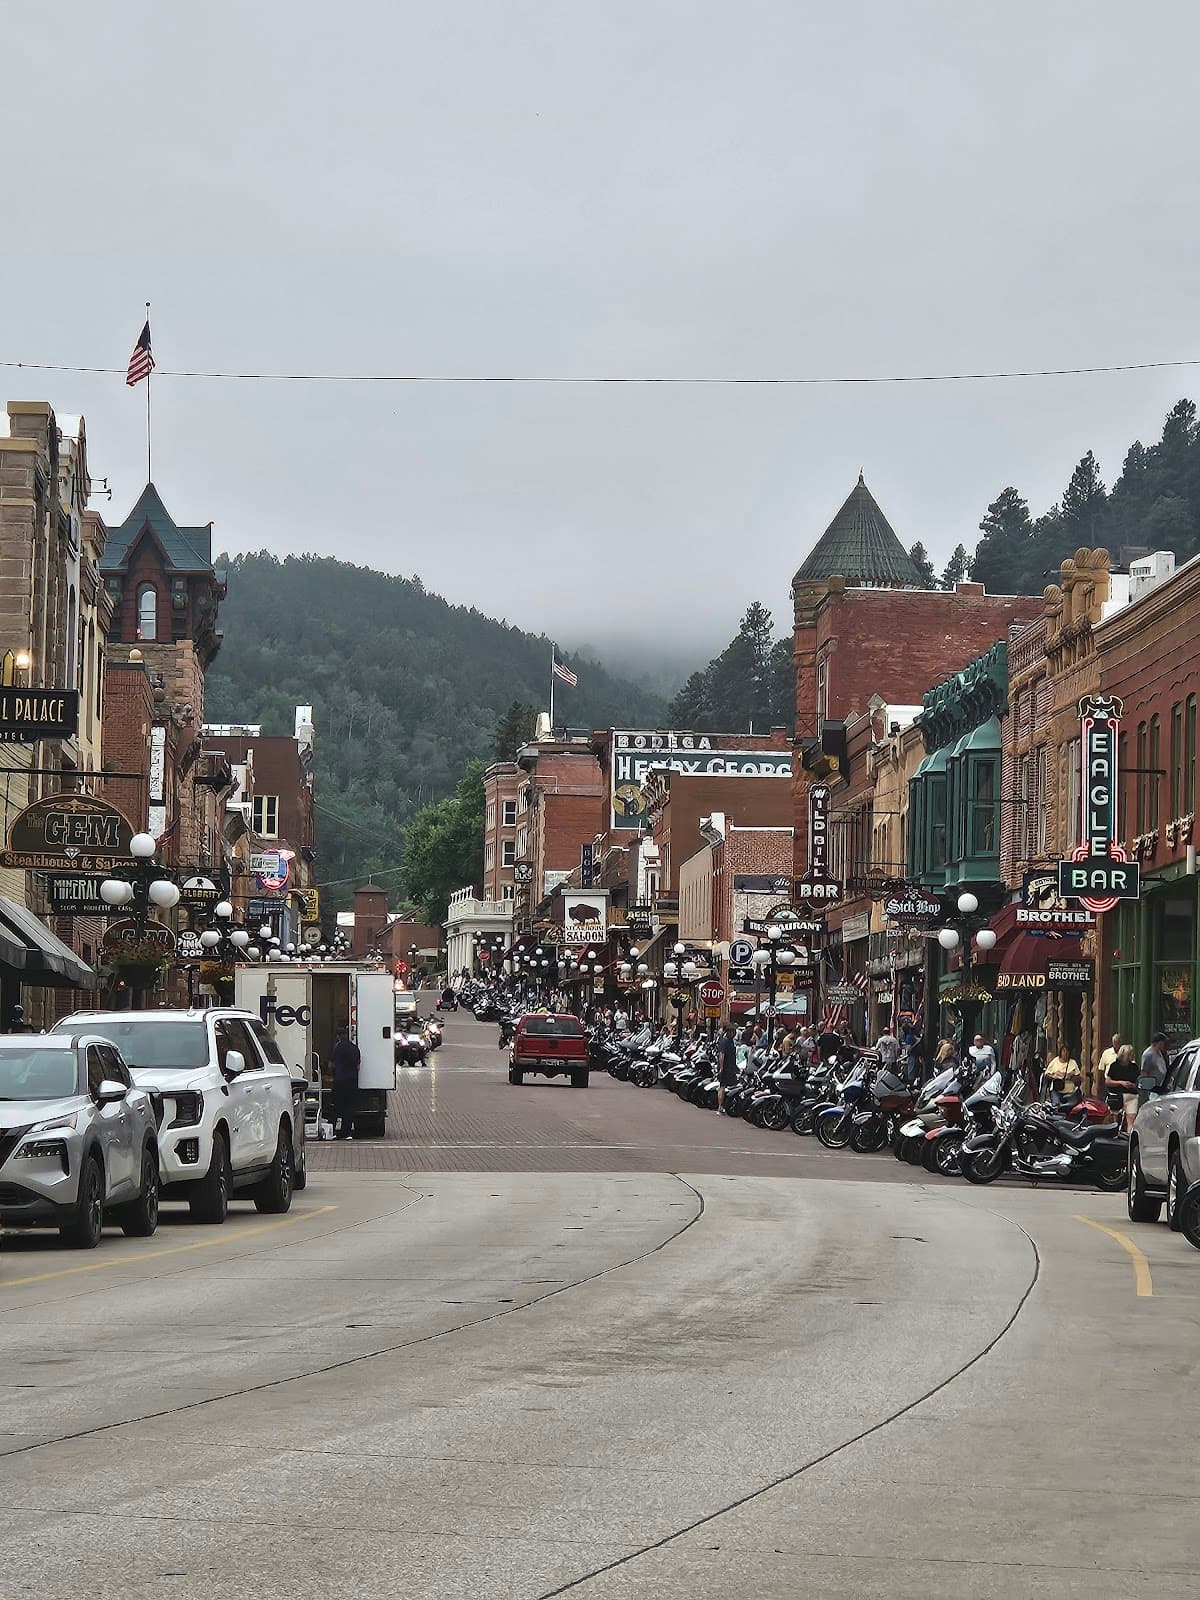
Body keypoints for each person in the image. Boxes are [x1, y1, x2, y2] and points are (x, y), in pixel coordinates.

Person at [330, 1028, 361, 1140]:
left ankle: (332, 1131)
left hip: (340, 1080)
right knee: (349, 1107)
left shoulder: (337, 1047)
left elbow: (332, 1064)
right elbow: (358, 1066)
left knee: (336, 1106)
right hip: (352, 1081)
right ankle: (346, 1133)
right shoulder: (355, 1049)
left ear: (338, 1036)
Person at [1105, 1042, 1140, 1131]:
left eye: (1131, 1054)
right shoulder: (1114, 1066)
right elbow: (1108, 1081)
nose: (1130, 1057)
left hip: (1131, 1096)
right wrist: (1121, 1083)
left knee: (1131, 1118)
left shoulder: (1134, 1067)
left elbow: (1138, 1081)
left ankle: (1128, 1137)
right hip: (1117, 1095)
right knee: (1115, 1119)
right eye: (1128, 1054)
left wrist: (1134, 1085)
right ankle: (1114, 1133)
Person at [1138, 1031, 1171, 1107]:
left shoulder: (1160, 1053)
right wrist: (1148, 1087)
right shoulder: (1148, 1054)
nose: (1164, 1045)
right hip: (1153, 1090)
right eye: (1163, 1043)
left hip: (1161, 1088)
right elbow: (1144, 1072)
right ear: (1159, 1043)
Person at [716, 1023, 739, 1114]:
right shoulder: (724, 1041)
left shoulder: (731, 1041)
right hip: (726, 1067)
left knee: (731, 1086)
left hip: (731, 1067)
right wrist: (721, 1068)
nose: (734, 1033)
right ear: (729, 1032)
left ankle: (726, 1105)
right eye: (733, 1031)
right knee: (722, 1086)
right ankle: (720, 1106)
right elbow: (722, 1055)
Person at [1094, 1032, 1123, 1101]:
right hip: (1108, 1084)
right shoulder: (1106, 1053)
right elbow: (1101, 1070)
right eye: (1114, 1042)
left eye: (1118, 1042)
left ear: (1121, 1042)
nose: (1116, 1044)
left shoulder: (1125, 1053)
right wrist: (1099, 1086)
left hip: (1121, 1085)